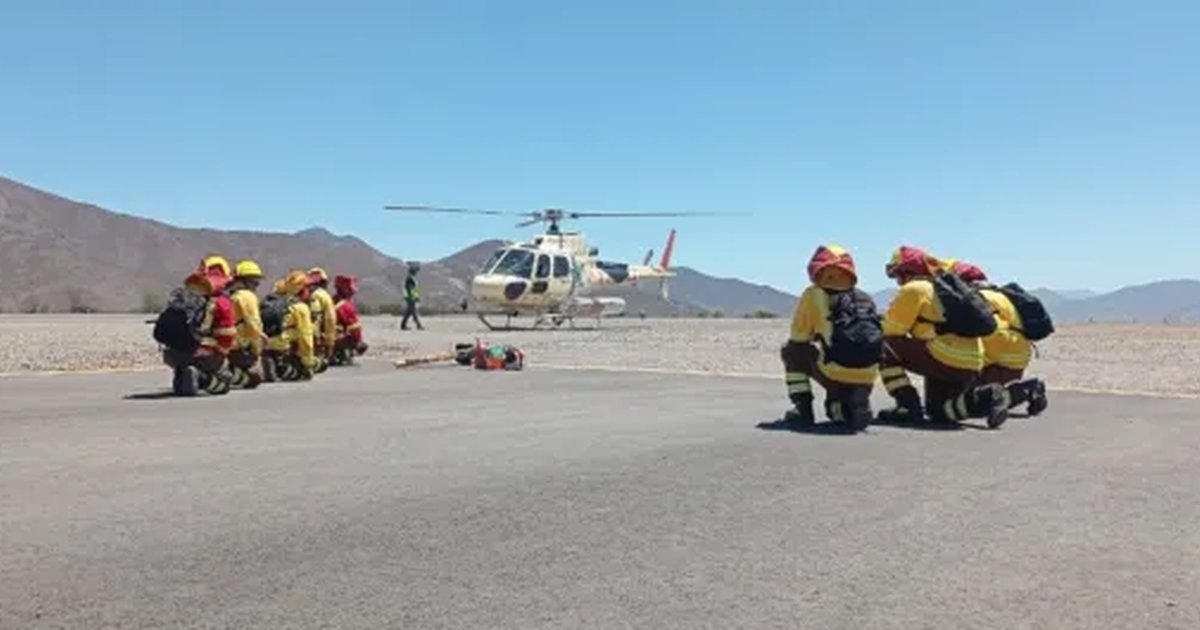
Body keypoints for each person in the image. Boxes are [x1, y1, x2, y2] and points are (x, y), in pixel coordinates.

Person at [878, 246, 1009, 428]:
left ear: (908, 271)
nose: (898, 282)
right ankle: (989, 397)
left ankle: (906, 405)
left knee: (882, 347)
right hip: (971, 363)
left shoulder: (915, 288)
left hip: (944, 356)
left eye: (898, 275)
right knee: (940, 412)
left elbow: (891, 331)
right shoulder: (944, 289)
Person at [779, 245, 881, 431]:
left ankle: (802, 410)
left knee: (792, 350)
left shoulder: (814, 295)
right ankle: (855, 397)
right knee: (837, 413)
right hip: (868, 373)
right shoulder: (864, 298)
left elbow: (799, 336)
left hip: (836, 368)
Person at [954, 262, 1050, 416]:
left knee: (965, 403)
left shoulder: (971, 298)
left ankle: (1007, 396)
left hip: (991, 356)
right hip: (1017, 359)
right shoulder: (1005, 296)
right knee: (983, 396)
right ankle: (1028, 388)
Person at [157, 256, 237, 396]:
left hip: (172, 353)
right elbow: (227, 334)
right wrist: (222, 354)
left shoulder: (182, 297)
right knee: (223, 383)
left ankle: (181, 375)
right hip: (202, 352)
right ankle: (201, 377)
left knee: (184, 364)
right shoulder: (221, 302)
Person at [263, 270, 319, 382]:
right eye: (308, 288)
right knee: (301, 331)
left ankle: (272, 363)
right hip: (281, 345)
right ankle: (284, 368)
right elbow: (306, 338)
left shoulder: (272, 300)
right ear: (302, 290)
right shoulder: (300, 307)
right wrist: (308, 364)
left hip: (264, 343)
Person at [227, 259, 265, 389]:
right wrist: (257, 350)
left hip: (224, 343)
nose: (256, 285)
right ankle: (229, 373)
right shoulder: (248, 297)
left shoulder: (231, 295)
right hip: (238, 346)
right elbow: (253, 326)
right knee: (256, 377)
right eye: (255, 281)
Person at [331, 274, 368, 366]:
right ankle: (342, 354)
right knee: (359, 343)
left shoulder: (330, 301)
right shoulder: (346, 306)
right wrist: (358, 342)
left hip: (323, 337)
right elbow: (355, 330)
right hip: (334, 339)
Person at [307, 267, 338, 359]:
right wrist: (329, 342)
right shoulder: (324, 296)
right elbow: (330, 320)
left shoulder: (305, 295)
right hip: (315, 338)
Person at [402, 262, 424, 330]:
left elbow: (413, 290)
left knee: (409, 312)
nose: (416, 273)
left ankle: (403, 325)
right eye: (415, 271)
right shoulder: (410, 279)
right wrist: (413, 297)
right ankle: (418, 325)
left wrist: (416, 297)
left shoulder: (411, 278)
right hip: (411, 298)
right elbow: (411, 290)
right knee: (414, 312)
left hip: (411, 297)